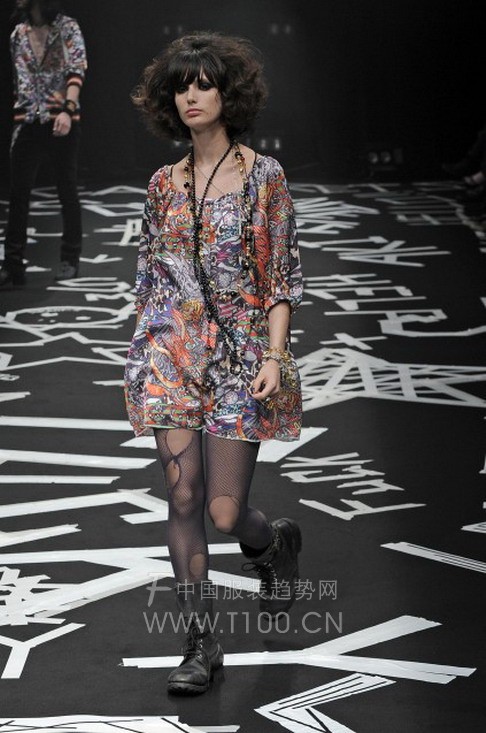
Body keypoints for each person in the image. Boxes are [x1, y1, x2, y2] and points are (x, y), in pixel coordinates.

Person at [124, 32, 303, 695]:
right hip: (172, 353)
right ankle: (200, 643)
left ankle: (273, 545)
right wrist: (142, 355)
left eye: (204, 84)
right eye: (181, 86)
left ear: (230, 94)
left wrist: (275, 355)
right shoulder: (162, 184)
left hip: (239, 357)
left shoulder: (263, 177)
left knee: (227, 513)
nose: (192, 96)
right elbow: (149, 278)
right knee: (183, 495)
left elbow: (281, 278)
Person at [0, 0, 87, 290]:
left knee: (66, 188)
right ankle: (13, 265)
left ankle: (70, 258)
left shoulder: (67, 27)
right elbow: (19, 79)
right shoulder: (18, 34)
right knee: (18, 194)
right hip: (27, 120)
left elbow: (76, 69)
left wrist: (67, 109)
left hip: (60, 117)